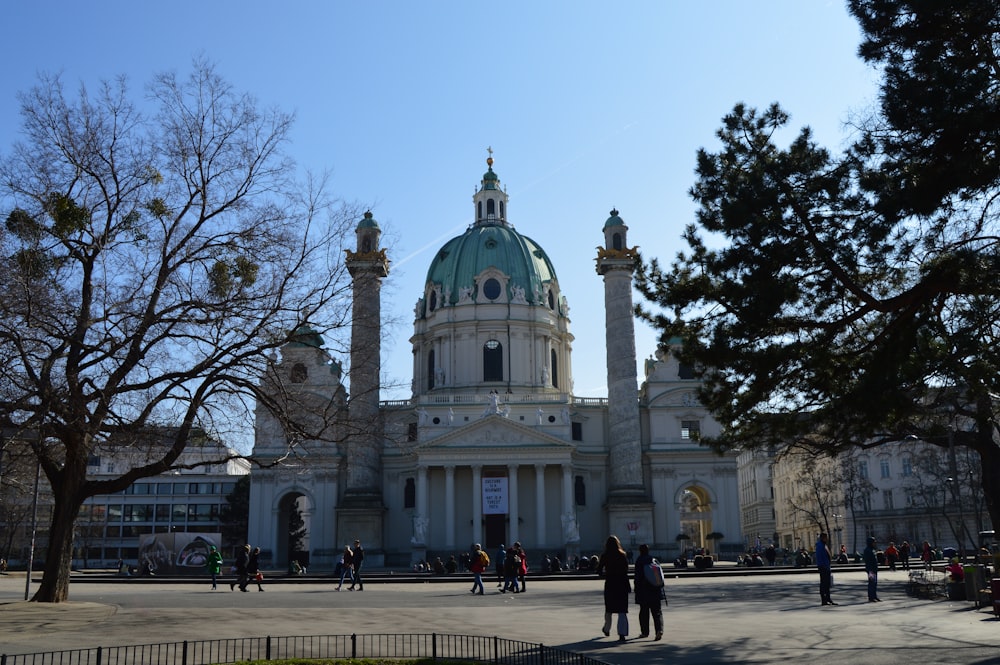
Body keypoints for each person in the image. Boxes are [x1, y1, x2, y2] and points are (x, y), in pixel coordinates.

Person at [596, 535, 630, 642]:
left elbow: (599, 571)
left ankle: (606, 628)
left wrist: (607, 575)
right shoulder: (622, 555)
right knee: (622, 610)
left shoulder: (605, 556)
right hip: (622, 584)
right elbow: (626, 570)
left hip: (610, 584)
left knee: (609, 609)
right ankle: (622, 633)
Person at [632, 544, 664, 640]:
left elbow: (637, 577)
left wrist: (636, 589)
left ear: (640, 551)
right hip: (655, 590)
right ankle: (659, 629)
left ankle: (645, 632)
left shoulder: (639, 561)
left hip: (644, 591)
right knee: (657, 612)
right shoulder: (654, 560)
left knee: (644, 612)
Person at [815, 532, 837, 606]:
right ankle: (824, 600)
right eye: (825, 537)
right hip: (823, 567)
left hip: (826, 566)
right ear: (822, 538)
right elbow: (820, 557)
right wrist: (824, 566)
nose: (826, 539)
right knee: (824, 584)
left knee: (827, 584)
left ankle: (828, 599)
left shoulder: (823, 545)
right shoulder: (820, 546)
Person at [863, 536, 881, 602]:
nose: (875, 544)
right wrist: (870, 569)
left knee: (875, 583)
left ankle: (874, 596)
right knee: (872, 583)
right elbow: (868, 561)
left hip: (874, 569)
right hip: (871, 569)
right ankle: (871, 597)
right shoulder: (867, 550)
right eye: (874, 542)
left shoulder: (872, 550)